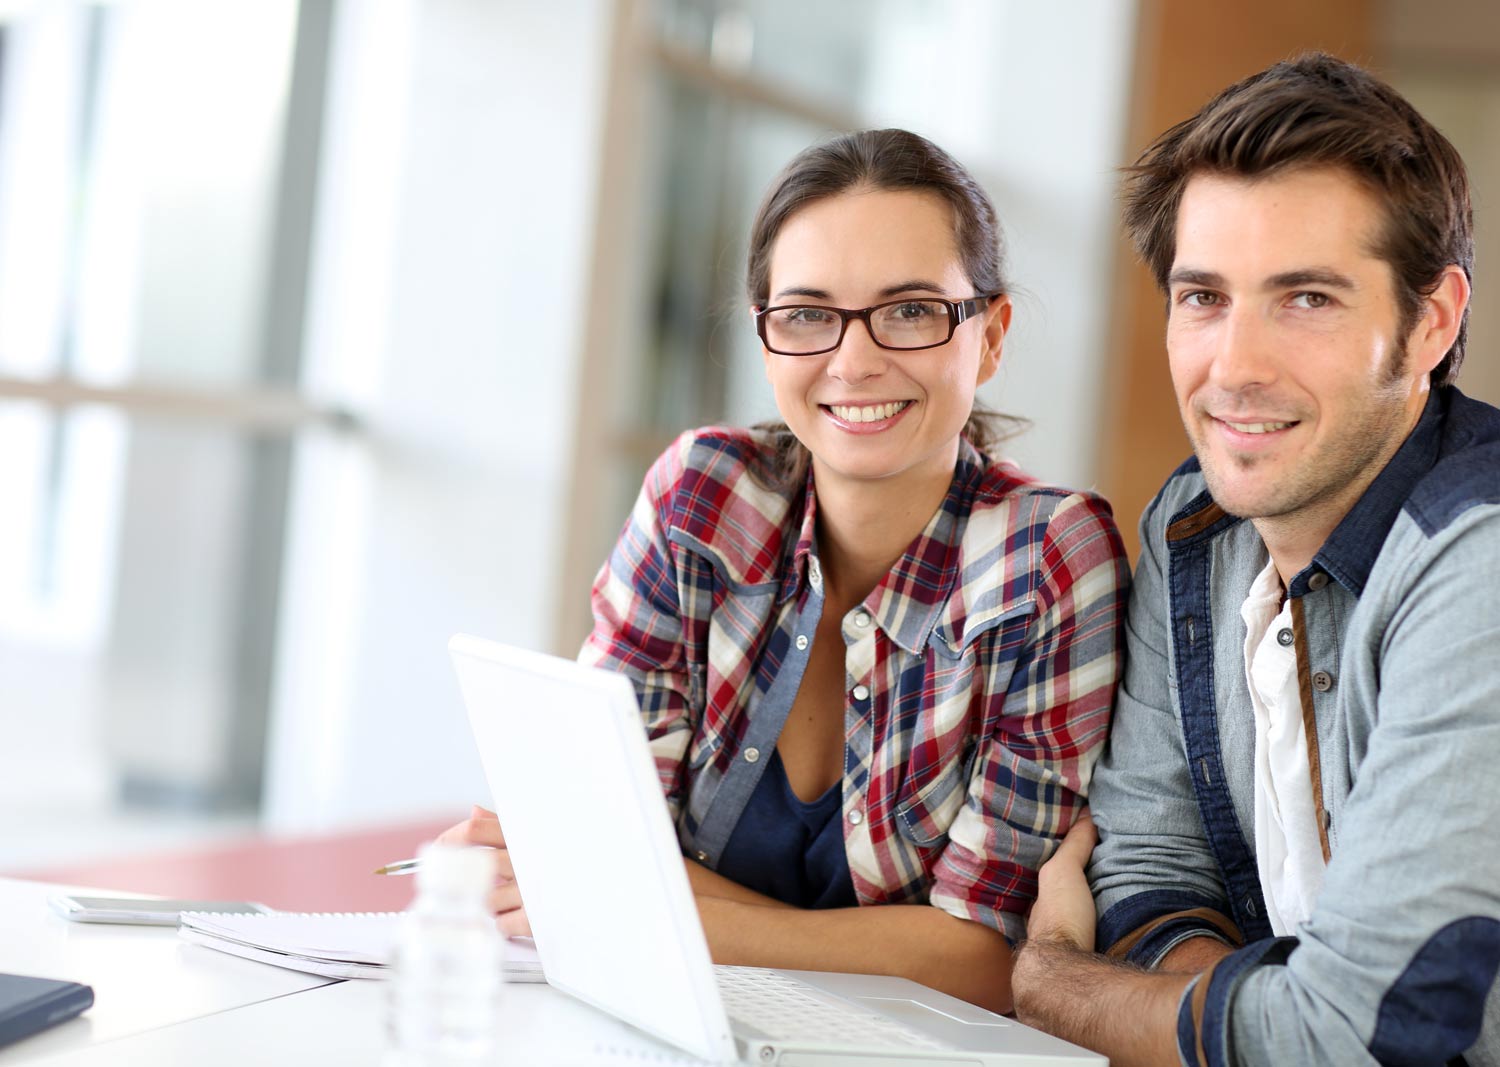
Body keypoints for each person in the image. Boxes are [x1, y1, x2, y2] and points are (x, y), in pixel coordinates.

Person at [440, 128, 1129, 1012]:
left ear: (989, 337)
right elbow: (591, 839)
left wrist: (645, 901)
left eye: (910, 310)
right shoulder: (703, 498)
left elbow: (993, 964)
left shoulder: (1048, 561)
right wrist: (588, 875)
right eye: (806, 314)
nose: (853, 360)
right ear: (766, 341)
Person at [1011, 53, 1500, 1067]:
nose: (1234, 366)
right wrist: (1254, 1025)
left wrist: (1056, 978)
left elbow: (1357, 1037)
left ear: (1432, 323)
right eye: (1203, 298)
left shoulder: (1478, 559)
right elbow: (1151, 856)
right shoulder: (1195, 526)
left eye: (1306, 299)